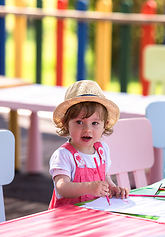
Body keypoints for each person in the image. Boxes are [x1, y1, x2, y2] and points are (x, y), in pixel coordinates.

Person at [49, 80, 129, 209]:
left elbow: (104, 177)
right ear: (66, 124)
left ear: (105, 125)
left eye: (95, 123)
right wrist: (89, 187)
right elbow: (62, 187)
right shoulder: (63, 155)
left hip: (94, 212)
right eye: (79, 122)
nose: (87, 129)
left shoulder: (102, 150)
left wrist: (112, 187)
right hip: (66, 217)